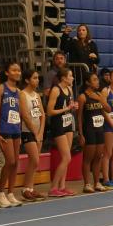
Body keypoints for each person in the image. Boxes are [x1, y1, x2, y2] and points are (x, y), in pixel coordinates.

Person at [0, 62, 24, 207]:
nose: (17, 73)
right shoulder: (1, 89)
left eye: (19, 70)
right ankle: (0, 193)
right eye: (14, 70)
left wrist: (20, 129)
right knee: (10, 161)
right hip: (4, 129)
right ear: (7, 73)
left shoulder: (18, 92)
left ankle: (10, 193)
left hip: (15, 129)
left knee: (16, 162)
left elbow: (19, 113)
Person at [46, 68, 77, 197]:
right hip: (58, 124)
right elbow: (49, 111)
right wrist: (66, 109)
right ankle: (53, 188)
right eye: (70, 76)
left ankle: (62, 186)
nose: (72, 78)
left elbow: (70, 106)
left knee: (67, 157)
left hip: (68, 121)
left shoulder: (69, 89)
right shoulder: (56, 90)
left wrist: (73, 107)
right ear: (64, 78)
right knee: (66, 157)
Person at [78, 71, 109, 193]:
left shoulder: (99, 95)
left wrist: (100, 99)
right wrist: (81, 134)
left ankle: (97, 183)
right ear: (87, 82)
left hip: (99, 129)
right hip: (89, 130)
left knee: (98, 157)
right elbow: (79, 117)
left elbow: (108, 109)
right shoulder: (83, 97)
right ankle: (87, 184)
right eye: (95, 80)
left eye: (97, 79)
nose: (98, 82)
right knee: (88, 158)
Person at [19, 69, 46, 202]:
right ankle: (25, 189)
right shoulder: (22, 94)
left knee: (35, 162)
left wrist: (40, 132)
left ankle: (30, 188)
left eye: (37, 78)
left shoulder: (36, 95)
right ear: (27, 80)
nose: (37, 80)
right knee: (34, 159)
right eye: (34, 78)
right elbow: (25, 115)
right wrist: (35, 133)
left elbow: (42, 115)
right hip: (27, 131)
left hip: (38, 132)